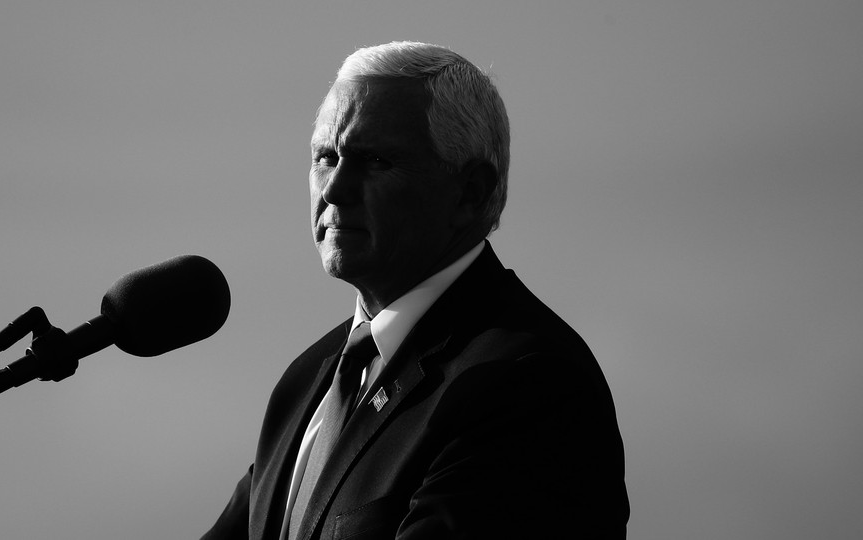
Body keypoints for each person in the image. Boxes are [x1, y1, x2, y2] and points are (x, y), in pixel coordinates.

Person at [202, 41, 629, 539]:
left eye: (375, 160)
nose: (335, 190)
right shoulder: (305, 382)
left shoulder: (526, 381)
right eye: (325, 157)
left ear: (470, 192)